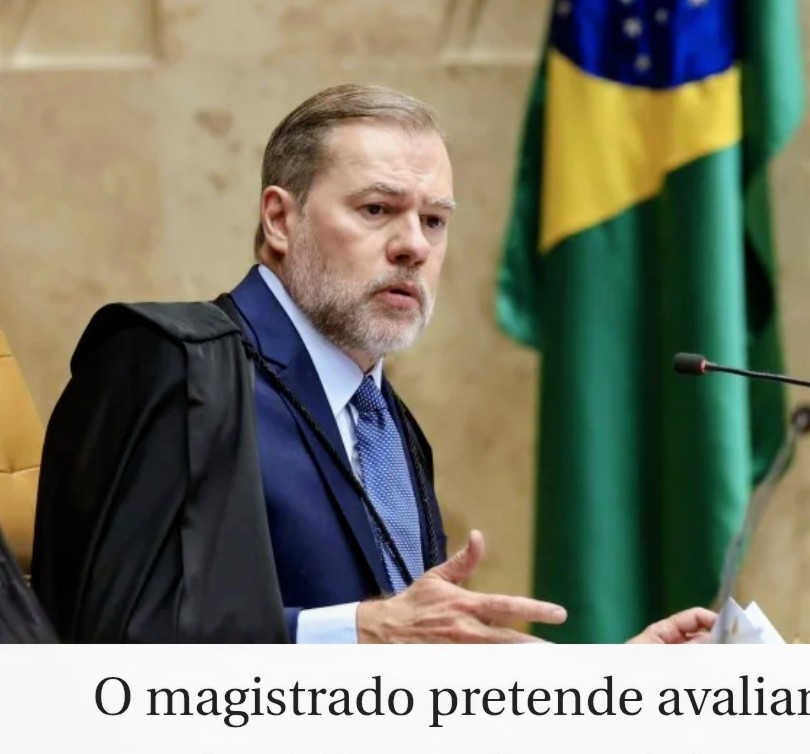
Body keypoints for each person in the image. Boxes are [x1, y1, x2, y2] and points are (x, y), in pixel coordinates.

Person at [31, 84, 716, 644]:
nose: (413, 246)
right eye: (377, 209)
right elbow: (109, 647)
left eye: (435, 220)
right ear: (280, 220)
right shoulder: (174, 363)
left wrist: (603, 686)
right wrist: (356, 632)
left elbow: (410, 680)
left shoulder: (388, 424)